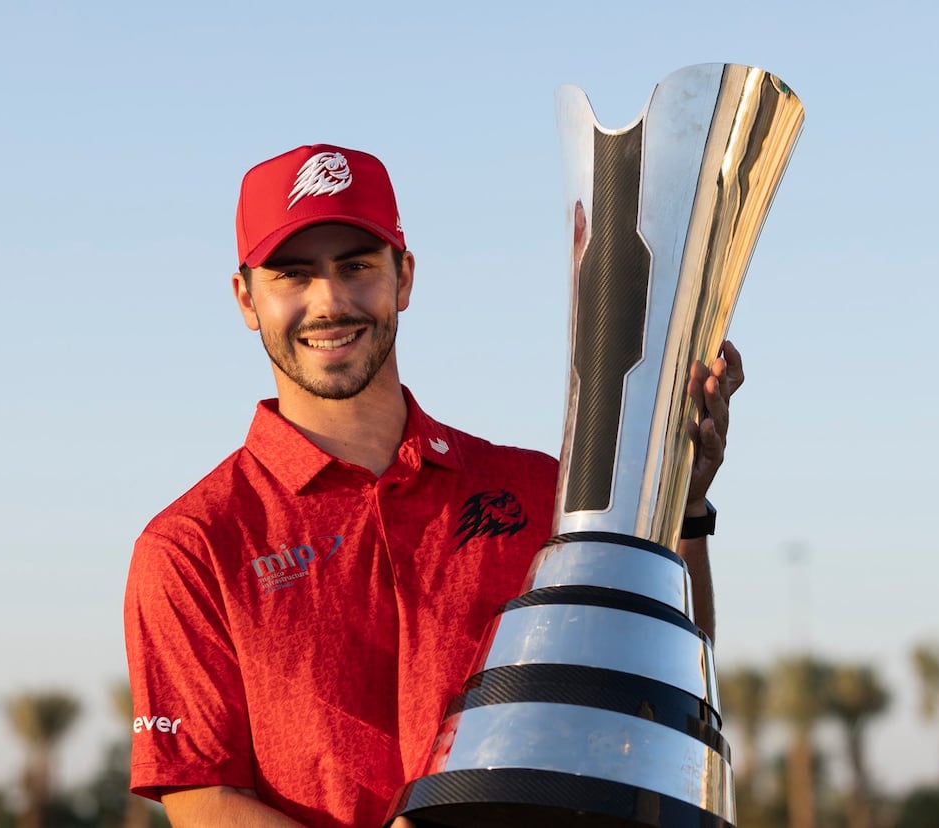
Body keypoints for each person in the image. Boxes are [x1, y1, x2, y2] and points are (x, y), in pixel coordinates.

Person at [123, 144, 744, 828]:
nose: (329, 301)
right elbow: (201, 797)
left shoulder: (539, 490)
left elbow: (655, 694)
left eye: (357, 267)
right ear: (246, 298)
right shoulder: (192, 544)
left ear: (405, 278)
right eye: (291, 275)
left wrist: (682, 510)